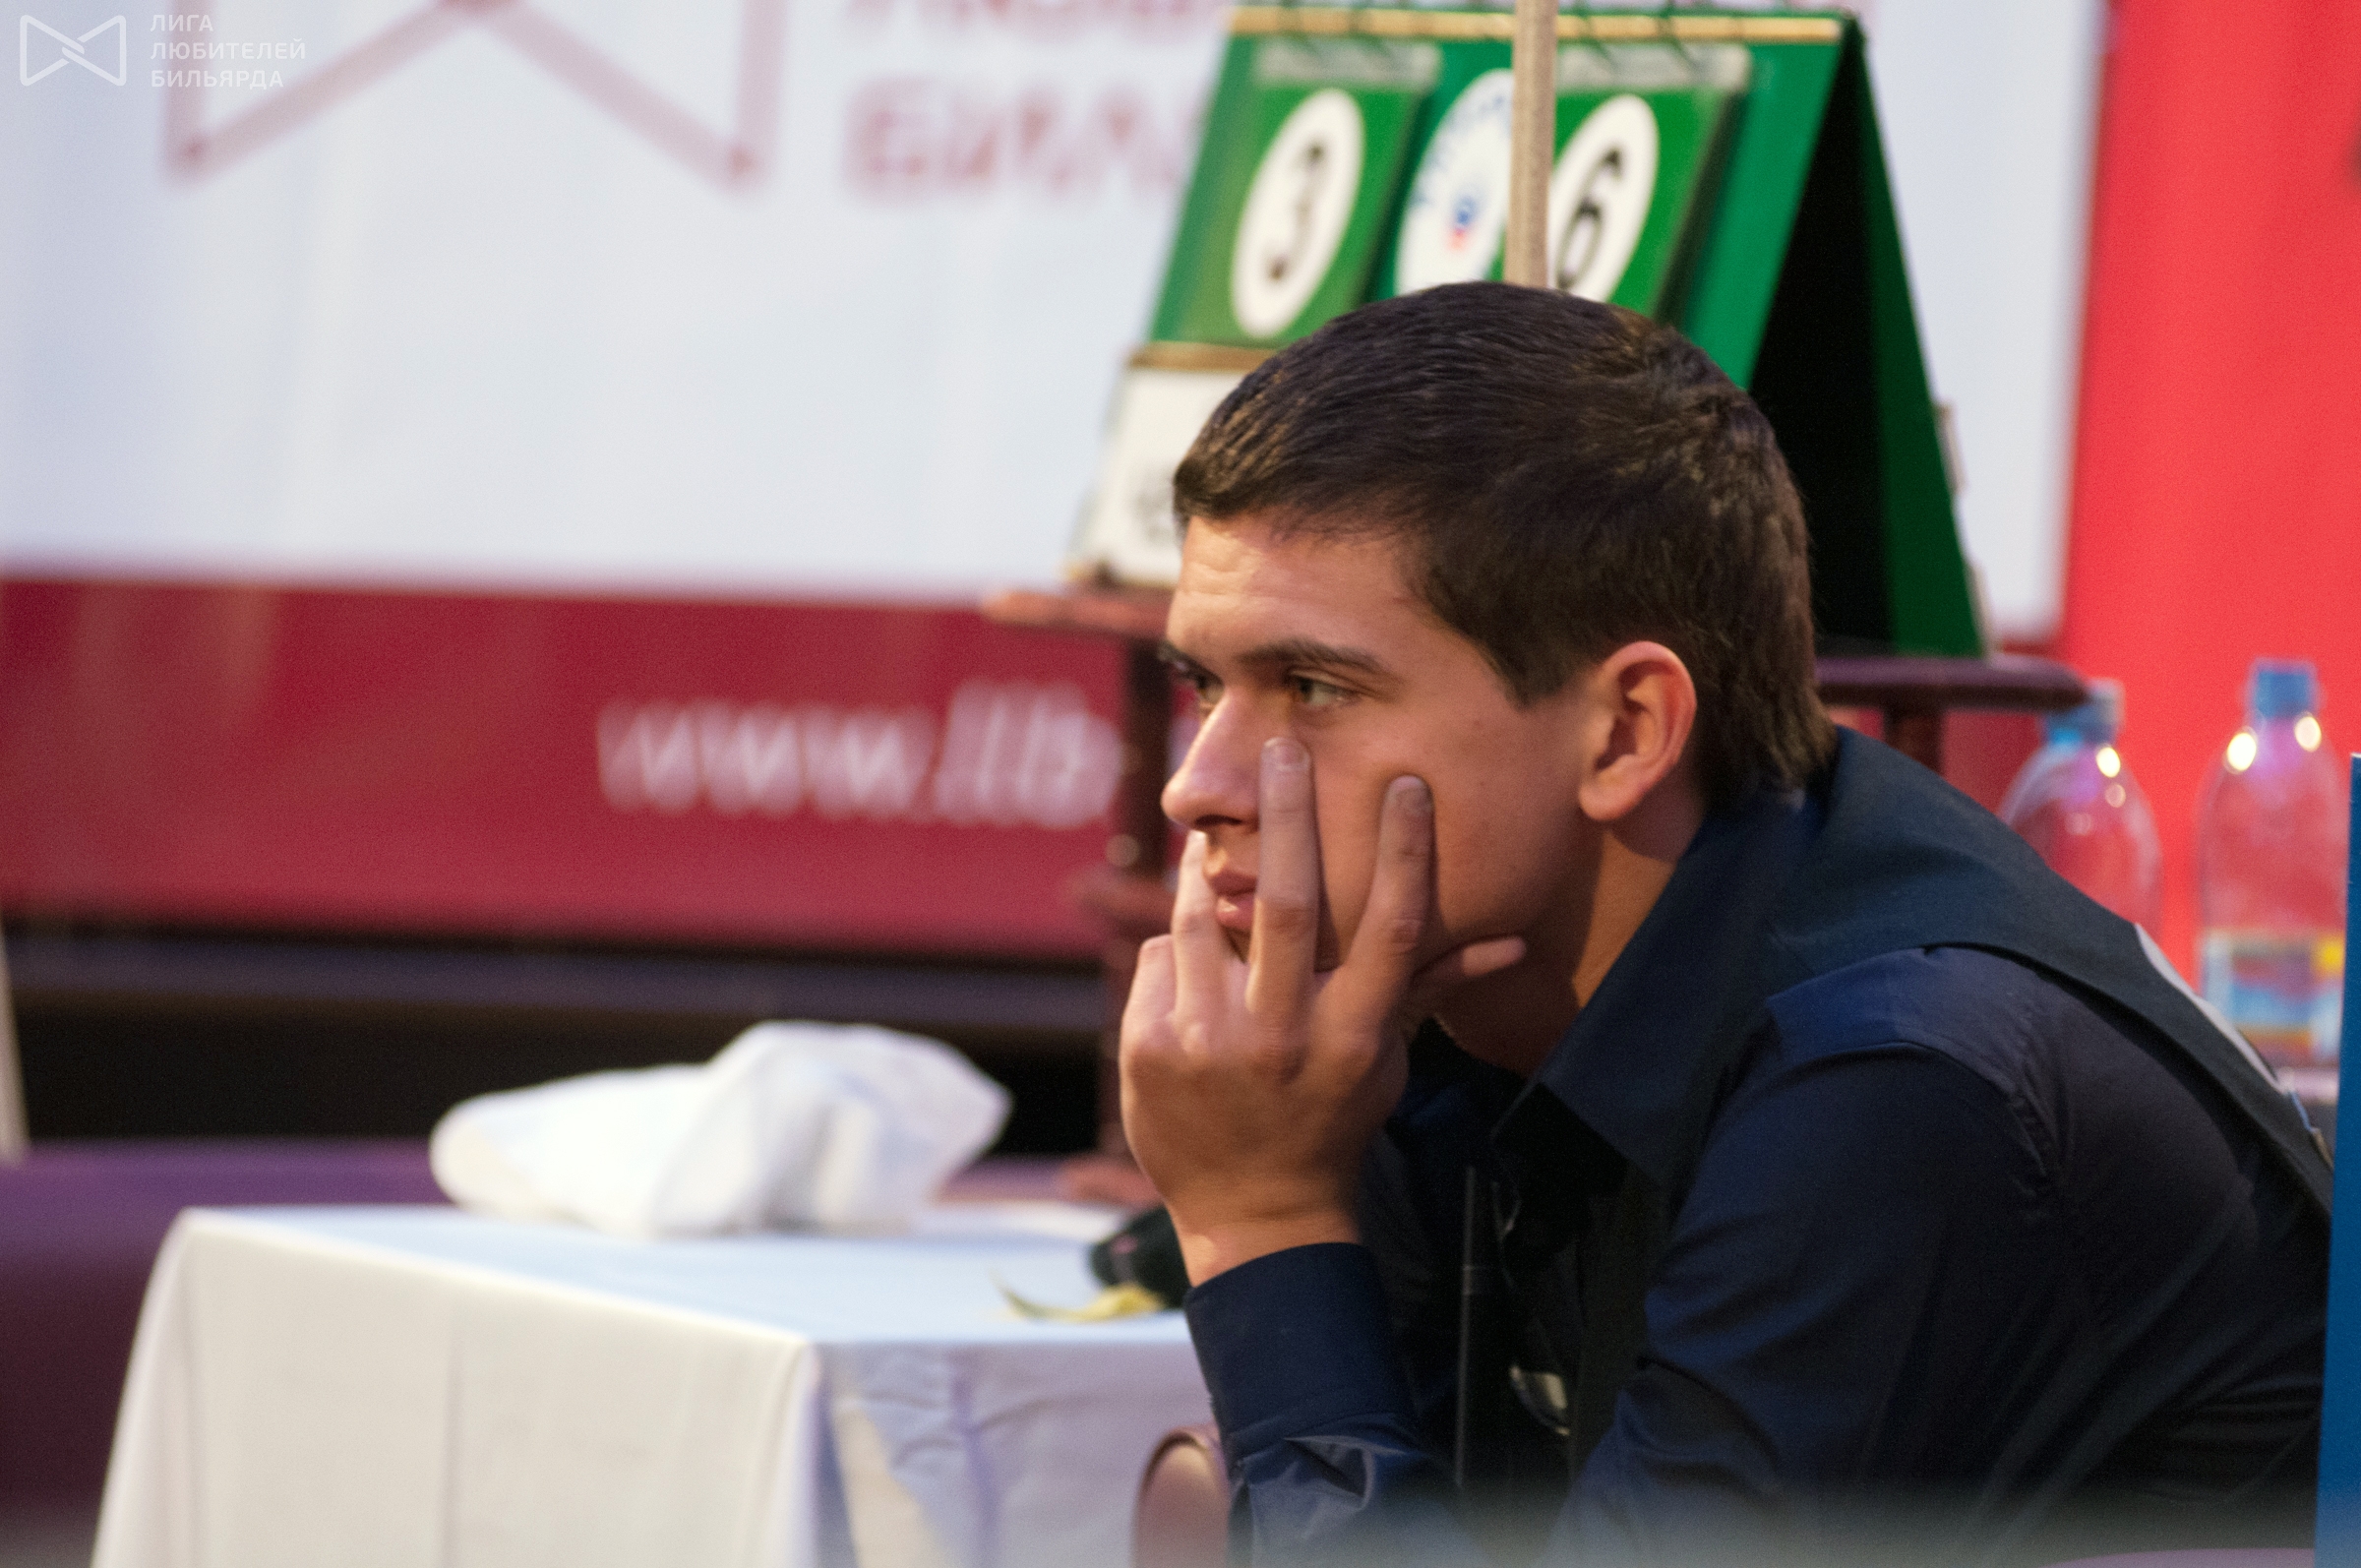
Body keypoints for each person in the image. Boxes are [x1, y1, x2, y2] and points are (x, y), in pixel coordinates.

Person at [1118, 282, 2331, 1567]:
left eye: (1314, 687)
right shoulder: (1434, 999)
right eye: (1203, 683)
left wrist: (1263, 1220)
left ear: (1627, 731)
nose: (1197, 784)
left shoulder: (1895, 1076)